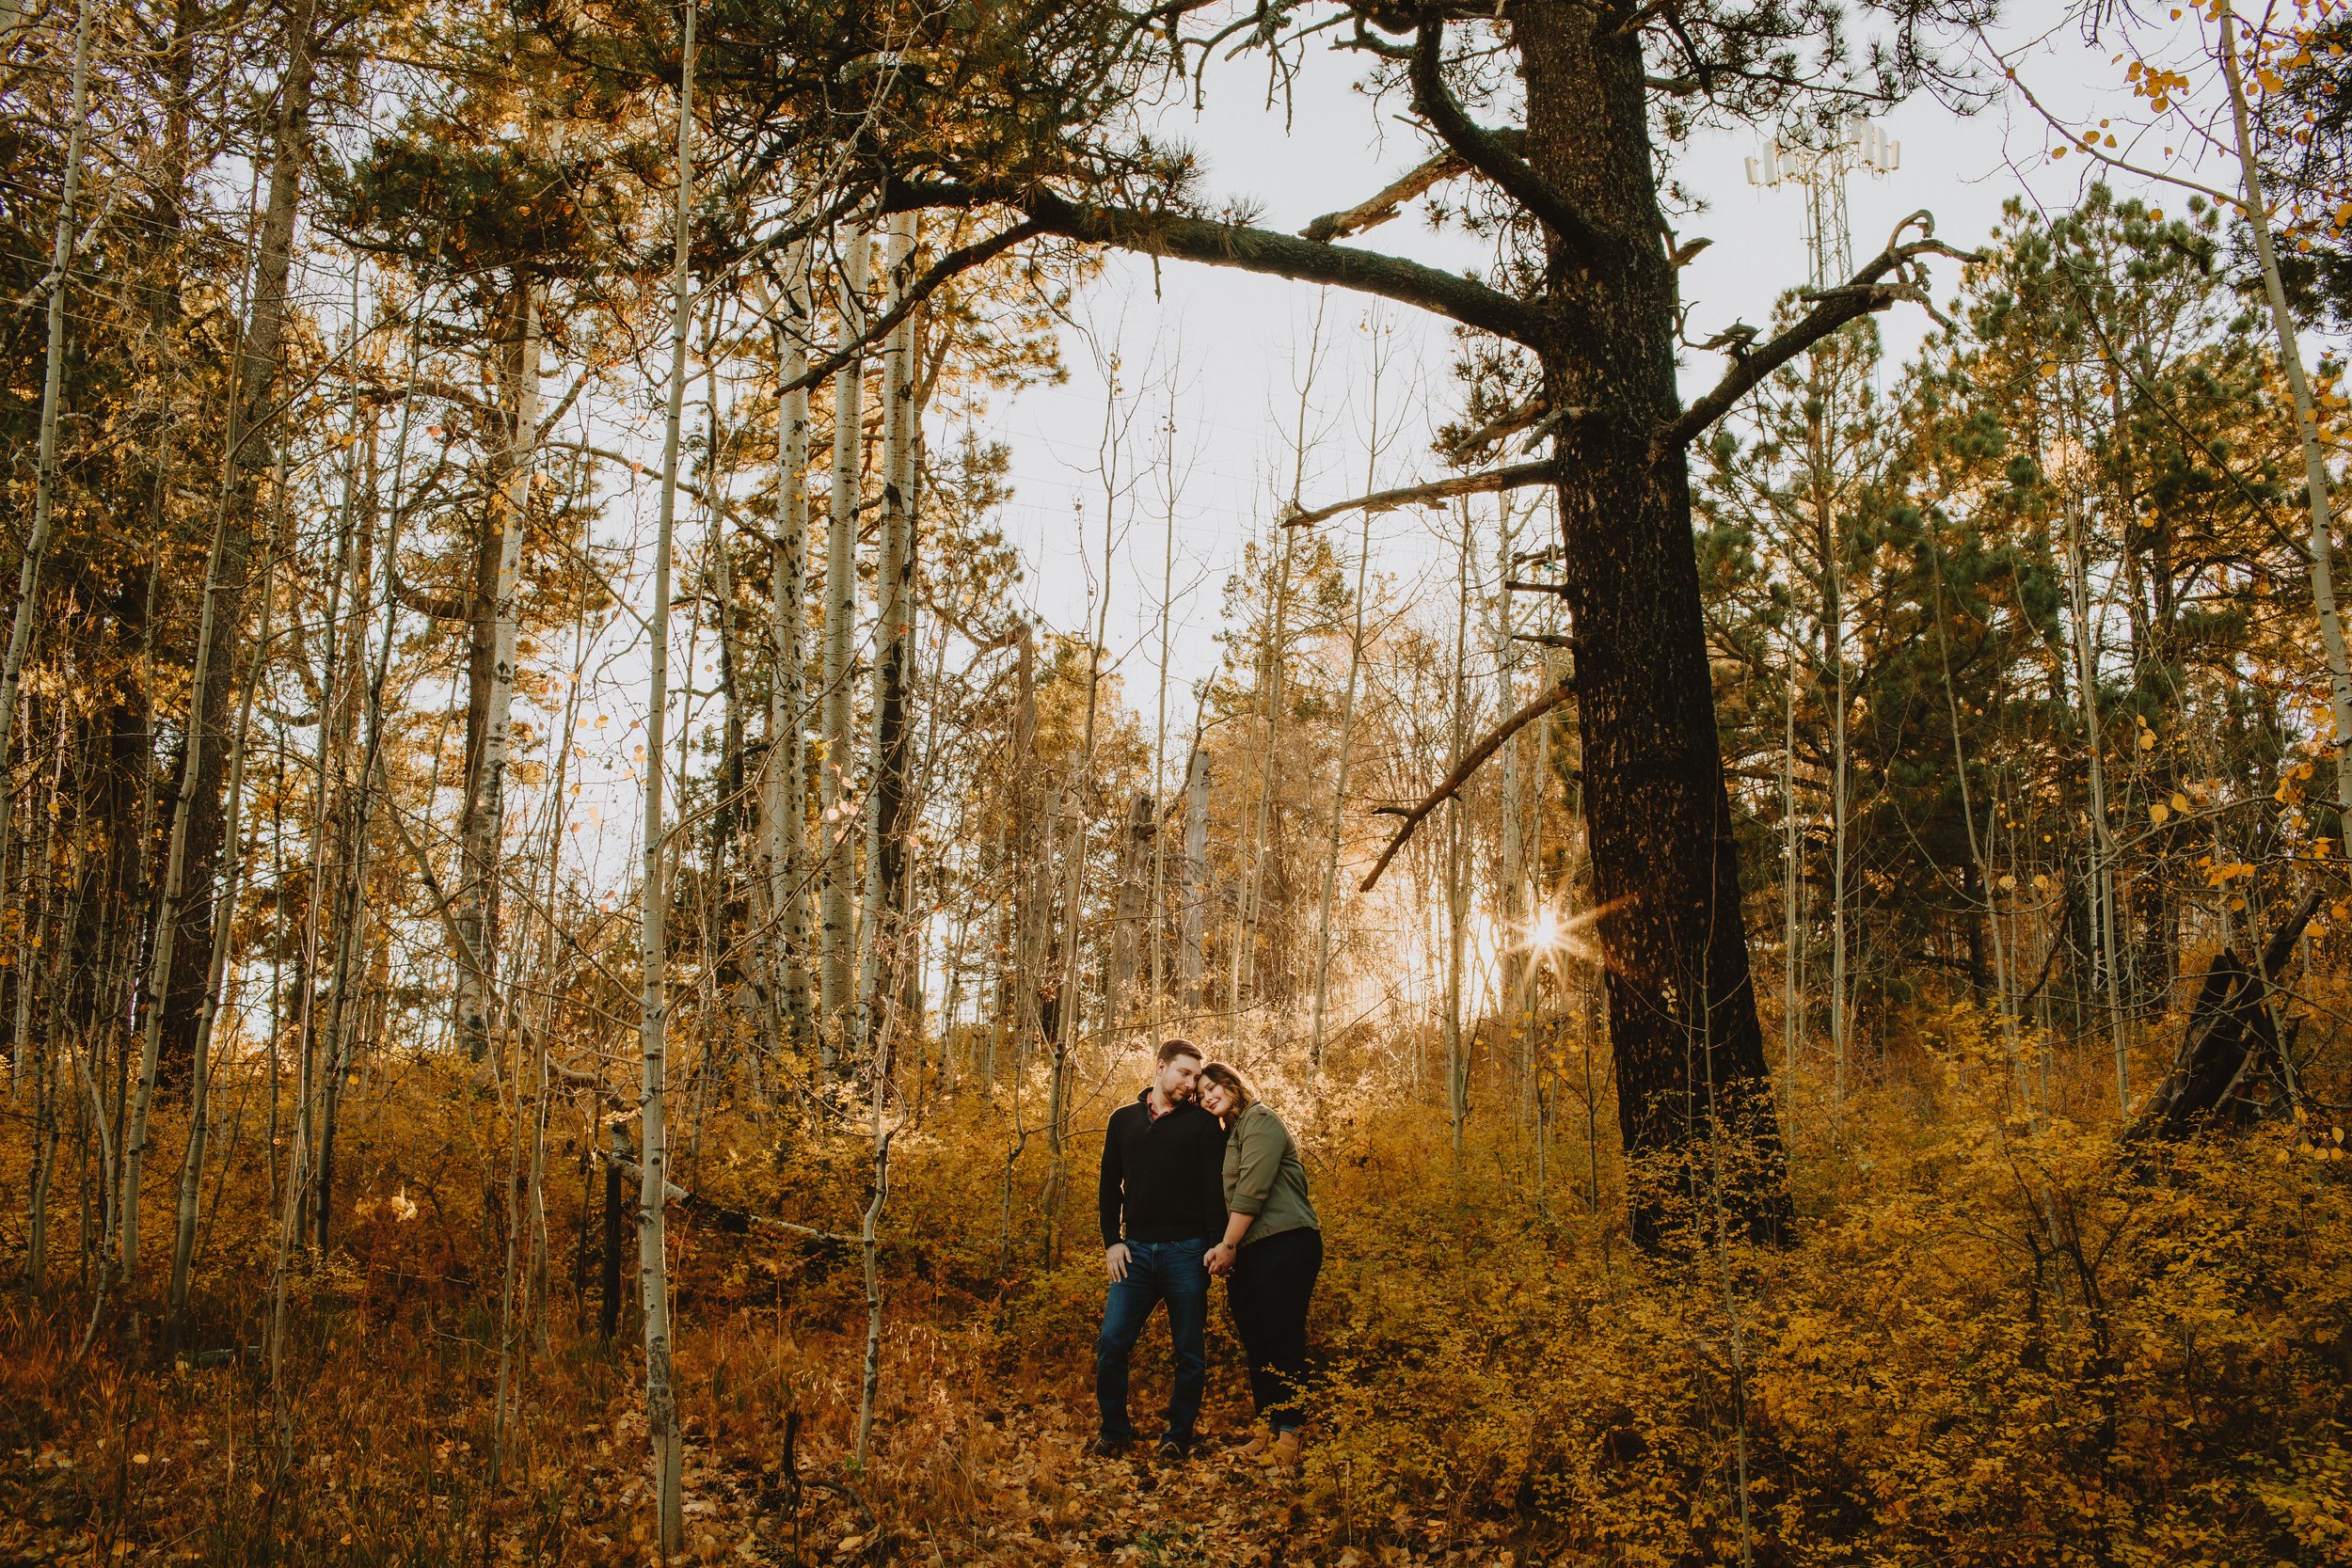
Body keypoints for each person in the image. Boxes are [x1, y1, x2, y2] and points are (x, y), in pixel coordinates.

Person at [1091, 1037, 1229, 1460]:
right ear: (1160, 1066)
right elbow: (1108, 1185)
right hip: (1133, 1253)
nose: (1191, 1084)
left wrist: (1218, 1246)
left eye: (1195, 1077)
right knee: (1112, 1345)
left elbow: (1214, 1192)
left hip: (1187, 1253)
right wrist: (1112, 1242)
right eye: (1184, 1073)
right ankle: (1114, 1432)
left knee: (1188, 1350)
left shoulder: (1204, 1125)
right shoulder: (1123, 1120)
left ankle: (1177, 1436)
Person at [1197, 1062, 1321, 1465]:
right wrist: (1227, 1246)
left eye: (1213, 1086)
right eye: (1201, 1093)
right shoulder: (1231, 1133)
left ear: (1233, 1084)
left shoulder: (1261, 1120)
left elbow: (1253, 1189)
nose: (1207, 1096)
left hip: (1286, 1242)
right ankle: (1266, 1428)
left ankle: (1291, 1434)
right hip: (1250, 1250)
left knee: (1282, 1339)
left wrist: (1227, 1244)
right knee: (1256, 1342)